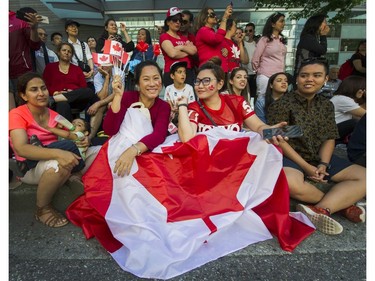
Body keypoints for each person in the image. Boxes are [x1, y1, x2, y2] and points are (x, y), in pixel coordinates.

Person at [66, 61, 314, 279]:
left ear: (219, 84)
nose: (200, 85)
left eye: (206, 81)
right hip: (206, 173)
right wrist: (180, 105)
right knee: (294, 184)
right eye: (198, 81)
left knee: (295, 182)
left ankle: (324, 203)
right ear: (138, 83)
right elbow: (184, 136)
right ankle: (323, 203)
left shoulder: (236, 102)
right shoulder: (193, 109)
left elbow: (261, 129)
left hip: (234, 171)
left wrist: (286, 131)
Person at [267, 58, 366, 235]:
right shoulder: (281, 104)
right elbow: (278, 138)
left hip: (317, 156)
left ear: (326, 79)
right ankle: (343, 206)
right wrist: (307, 167)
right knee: (289, 183)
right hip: (289, 157)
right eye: (304, 75)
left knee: (366, 176)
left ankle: (321, 209)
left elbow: (329, 137)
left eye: (316, 75)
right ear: (297, 79)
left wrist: (323, 164)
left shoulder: (326, 105)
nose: (309, 79)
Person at [9, 72, 85, 228]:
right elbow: (21, 148)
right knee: (60, 163)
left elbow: (71, 135)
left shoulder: (54, 115)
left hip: (54, 154)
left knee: (96, 150)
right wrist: (59, 153)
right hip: (30, 167)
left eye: (43, 88)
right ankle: (42, 208)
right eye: (34, 89)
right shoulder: (16, 114)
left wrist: (82, 139)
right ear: (23, 95)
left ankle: (74, 174)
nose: (41, 93)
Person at [43, 42, 101, 142]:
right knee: (62, 104)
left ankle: (55, 99)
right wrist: (56, 92)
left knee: (88, 91)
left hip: (75, 101)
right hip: (57, 100)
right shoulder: (50, 67)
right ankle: (67, 139)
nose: (66, 53)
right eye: (64, 50)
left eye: (69, 51)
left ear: (72, 55)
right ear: (58, 52)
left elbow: (83, 88)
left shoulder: (77, 69)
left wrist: (71, 92)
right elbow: (45, 86)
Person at [9, 7, 42, 109]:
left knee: (26, 107)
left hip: (20, 71)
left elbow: (35, 45)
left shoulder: (19, 19)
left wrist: (33, 28)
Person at [159, 7, 197, 87]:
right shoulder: (164, 36)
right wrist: (187, 50)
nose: (178, 22)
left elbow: (194, 50)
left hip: (187, 72)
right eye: (175, 20)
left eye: (180, 20)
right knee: (174, 99)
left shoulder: (183, 37)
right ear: (168, 22)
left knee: (189, 99)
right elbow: (172, 53)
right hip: (172, 74)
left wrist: (181, 47)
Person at [252, 12, 287, 97]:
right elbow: (255, 59)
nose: (284, 24)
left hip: (279, 77)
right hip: (266, 76)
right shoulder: (265, 39)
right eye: (281, 21)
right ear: (273, 24)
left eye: (284, 21)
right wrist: (259, 72)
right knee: (263, 101)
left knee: (278, 103)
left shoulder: (281, 40)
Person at [329, 75, 366, 143]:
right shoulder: (343, 99)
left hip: (333, 130)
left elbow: (360, 116)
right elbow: (365, 115)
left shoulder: (342, 98)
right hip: (329, 131)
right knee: (355, 123)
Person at [293, 14, 330, 80]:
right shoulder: (308, 38)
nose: (326, 25)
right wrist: (323, 35)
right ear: (316, 24)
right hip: (303, 74)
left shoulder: (312, 38)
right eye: (324, 22)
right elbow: (322, 50)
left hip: (308, 72)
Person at [164, 61, 195, 133]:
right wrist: (171, 108)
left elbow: (192, 105)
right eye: (179, 72)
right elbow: (167, 104)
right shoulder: (169, 88)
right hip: (172, 118)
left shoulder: (189, 88)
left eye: (184, 72)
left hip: (186, 117)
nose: (183, 75)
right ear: (172, 76)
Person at [65, 19, 95, 89]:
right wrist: (79, 73)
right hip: (74, 80)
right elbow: (66, 63)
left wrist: (91, 70)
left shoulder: (84, 44)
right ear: (66, 30)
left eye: (76, 26)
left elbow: (89, 58)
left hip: (88, 79)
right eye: (71, 26)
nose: (74, 28)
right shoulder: (65, 45)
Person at [242, 22, 258, 99]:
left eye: (250, 31)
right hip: (245, 74)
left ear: (254, 31)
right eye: (246, 31)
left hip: (254, 74)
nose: (248, 33)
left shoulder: (257, 44)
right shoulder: (242, 43)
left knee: (254, 96)